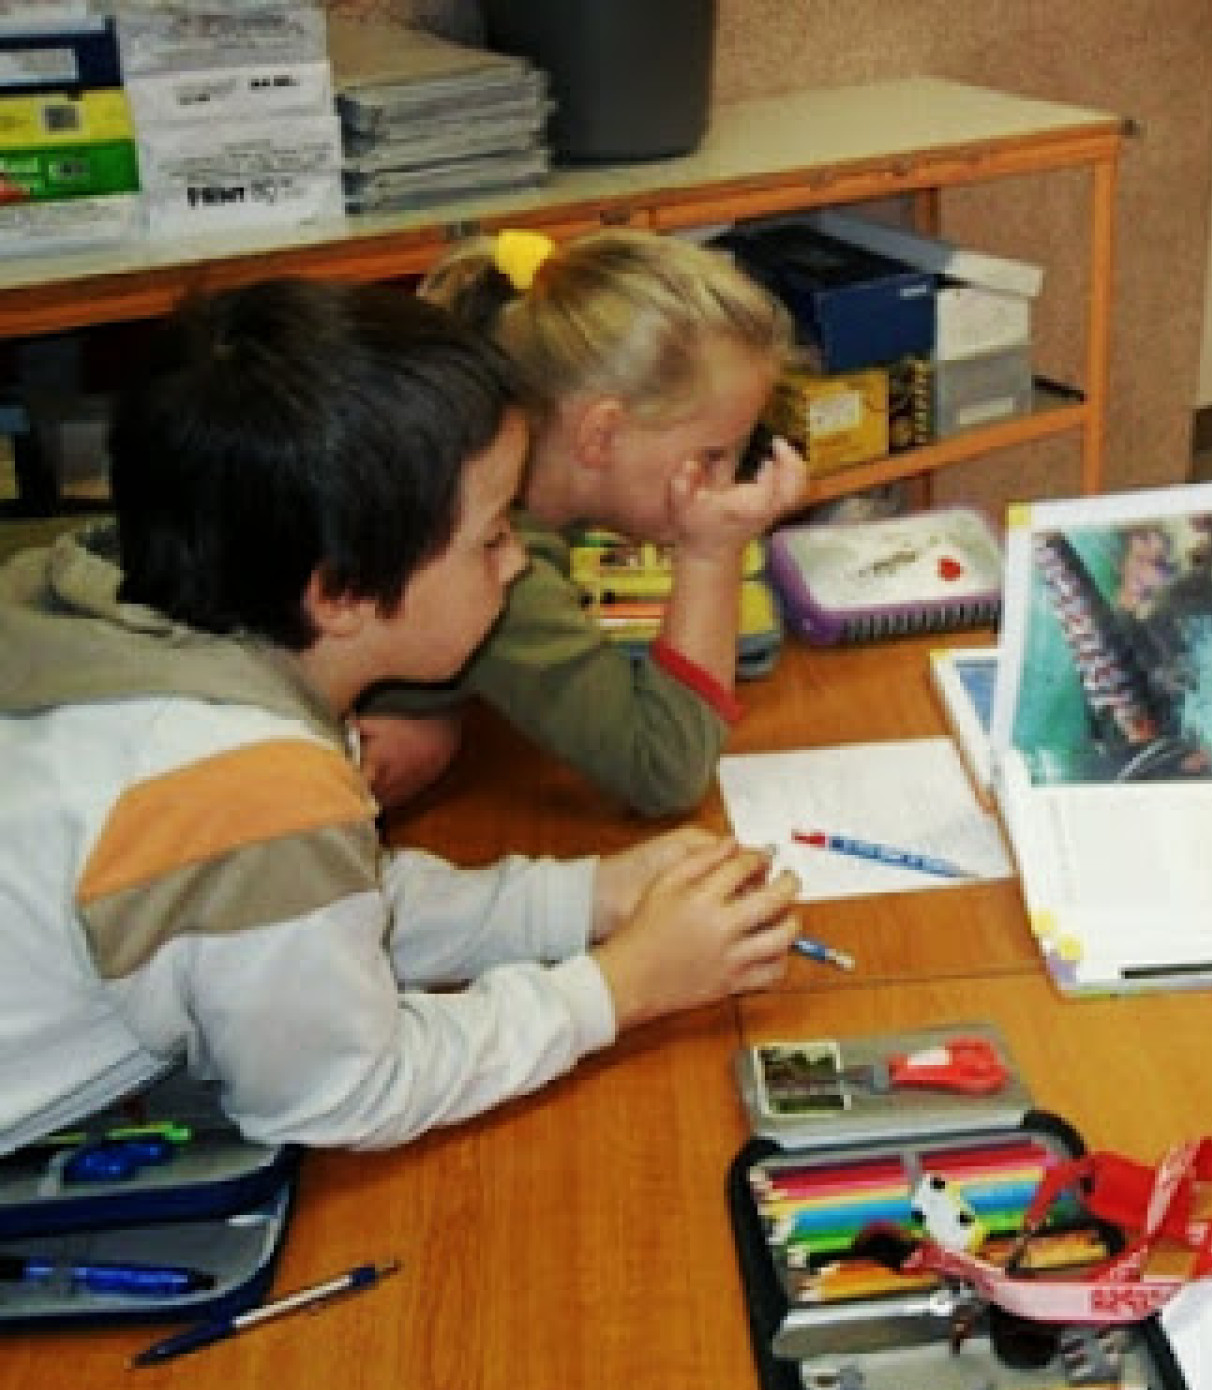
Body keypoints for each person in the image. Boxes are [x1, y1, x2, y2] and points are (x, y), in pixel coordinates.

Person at [0, 278, 800, 1153]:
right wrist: (622, 985)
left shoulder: (179, 651)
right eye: (492, 538)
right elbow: (343, 1089)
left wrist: (582, 898)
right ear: (341, 593)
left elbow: (337, 905)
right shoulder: (243, 783)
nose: (515, 566)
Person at [357, 226, 809, 813]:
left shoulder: (510, 495)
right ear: (600, 436)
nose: (723, 484)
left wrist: (438, 716)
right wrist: (711, 554)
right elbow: (663, 770)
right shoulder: (498, 561)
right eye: (713, 455)